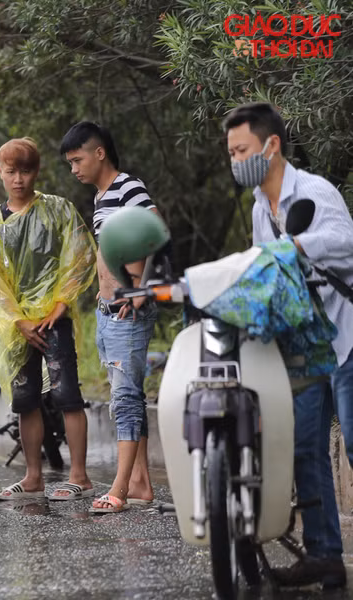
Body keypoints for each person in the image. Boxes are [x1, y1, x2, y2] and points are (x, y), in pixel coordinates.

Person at [224, 102, 352, 589]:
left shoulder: (314, 192)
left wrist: (297, 245)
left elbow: (346, 239)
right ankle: (324, 556)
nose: (236, 161)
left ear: (271, 145)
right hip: (307, 339)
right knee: (305, 449)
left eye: (242, 151)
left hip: (347, 331)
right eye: (231, 154)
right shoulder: (261, 207)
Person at [0, 137, 97, 502]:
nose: (19, 179)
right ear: (0, 172)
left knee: (67, 395)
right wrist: (17, 321)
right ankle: (33, 476)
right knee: (26, 399)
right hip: (19, 328)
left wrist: (60, 305)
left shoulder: (57, 210)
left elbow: (80, 256)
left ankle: (80, 475)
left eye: (26, 171)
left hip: (53, 318)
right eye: (11, 171)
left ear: (37, 172)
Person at [60, 121, 160, 514]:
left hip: (126, 311)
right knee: (125, 397)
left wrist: (137, 289)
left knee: (125, 397)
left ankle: (118, 489)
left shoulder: (127, 187)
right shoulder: (104, 196)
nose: (74, 169)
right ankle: (140, 483)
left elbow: (156, 228)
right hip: (108, 312)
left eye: (77, 159)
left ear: (99, 152)